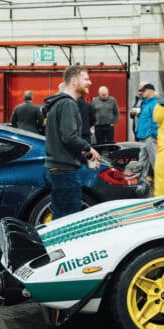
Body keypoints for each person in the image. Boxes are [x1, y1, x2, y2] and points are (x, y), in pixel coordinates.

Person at [42, 65, 100, 219]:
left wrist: (84, 156)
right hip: (64, 172)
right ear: (74, 81)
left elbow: (64, 140)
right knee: (69, 220)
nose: (90, 82)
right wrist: (89, 149)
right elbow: (69, 136)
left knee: (60, 218)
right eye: (86, 79)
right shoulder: (68, 104)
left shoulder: (58, 103)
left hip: (57, 169)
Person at [135, 82, 159, 184]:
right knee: (142, 159)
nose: (142, 93)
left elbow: (156, 121)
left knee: (154, 159)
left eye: (144, 91)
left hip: (149, 136)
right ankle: (142, 181)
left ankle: (161, 181)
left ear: (150, 91)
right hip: (143, 135)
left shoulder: (155, 103)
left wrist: (154, 134)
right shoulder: (145, 103)